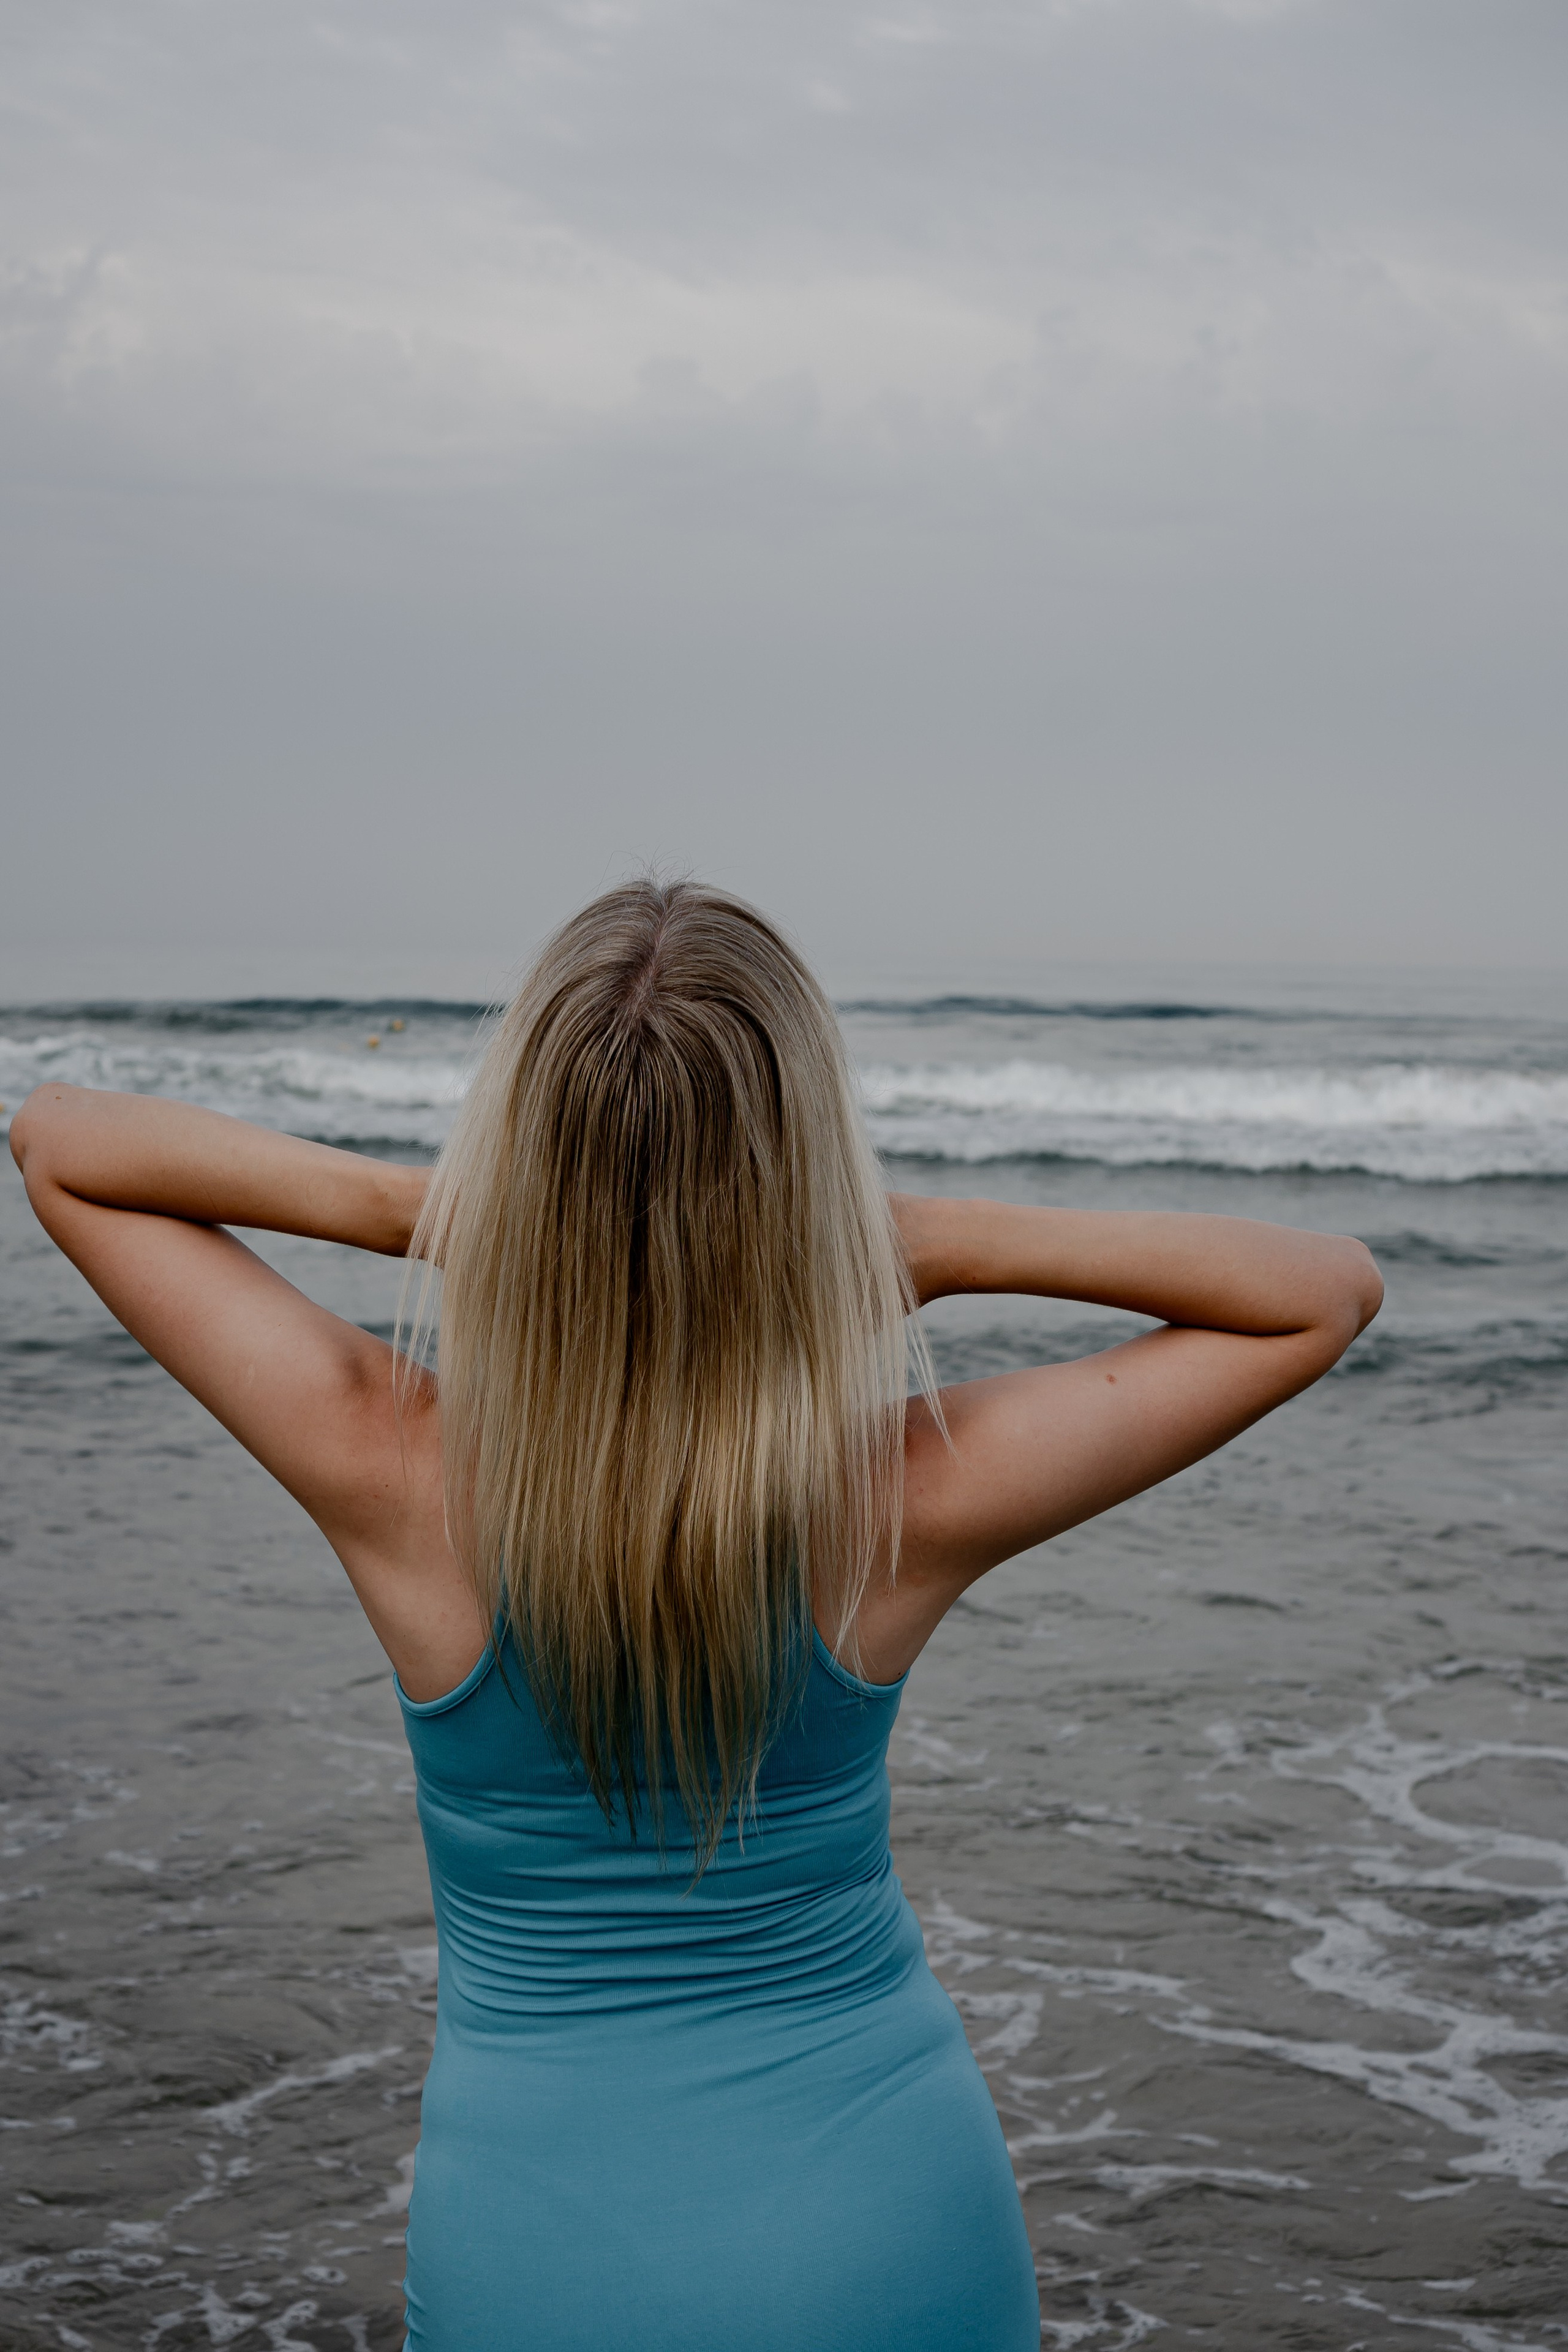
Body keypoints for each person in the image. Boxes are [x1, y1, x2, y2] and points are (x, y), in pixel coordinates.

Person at [10, 880, 1382, 2352]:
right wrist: (932, 1237)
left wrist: (435, 1216)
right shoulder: (899, 1495)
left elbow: (62, 1140)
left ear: (517, 1155)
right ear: (805, 1169)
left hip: (541, 2244)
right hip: (886, 2220)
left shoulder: (381, 1457)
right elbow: (1318, 1292)